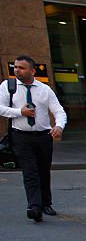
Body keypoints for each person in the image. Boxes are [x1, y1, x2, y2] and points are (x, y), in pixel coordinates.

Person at [1, 55, 67, 222]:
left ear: (32, 70)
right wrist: (19, 112)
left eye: (21, 68)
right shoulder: (8, 87)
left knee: (44, 171)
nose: (17, 70)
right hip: (21, 136)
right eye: (15, 67)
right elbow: (0, 108)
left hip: (44, 136)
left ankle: (46, 203)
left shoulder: (44, 89)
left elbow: (58, 110)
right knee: (30, 172)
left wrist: (59, 126)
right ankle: (34, 206)